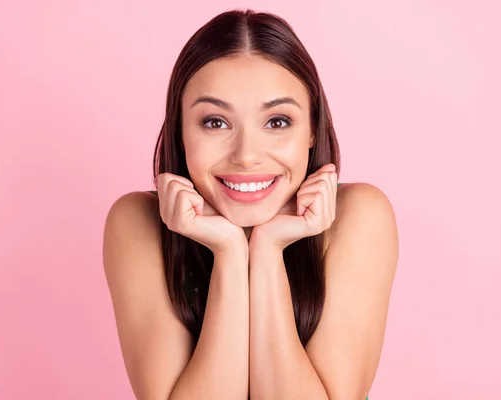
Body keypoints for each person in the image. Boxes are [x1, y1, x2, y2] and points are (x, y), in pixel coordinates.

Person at [103, 8, 398, 400]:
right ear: (180, 133)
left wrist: (268, 249)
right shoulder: (136, 222)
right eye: (215, 122)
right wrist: (228, 251)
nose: (246, 155)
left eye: (276, 122)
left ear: (312, 129)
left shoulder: (361, 216)